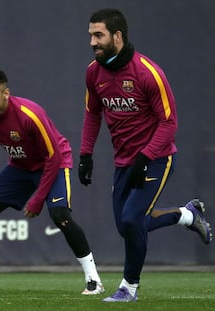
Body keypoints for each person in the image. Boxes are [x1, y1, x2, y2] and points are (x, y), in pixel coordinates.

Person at [78, 8, 212, 302]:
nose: (92, 42)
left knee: (131, 220)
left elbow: (169, 123)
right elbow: (92, 114)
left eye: (98, 35)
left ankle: (129, 288)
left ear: (117, 36)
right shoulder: (93, 72)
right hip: (124, 162)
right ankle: (187, 215)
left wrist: (145, 157)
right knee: (127, 227)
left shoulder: (148, 73)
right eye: (90, 35)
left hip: (157, 158)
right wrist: (85, 155)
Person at [0, 69, 104, 295]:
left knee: (60, 215)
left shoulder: (29, 115)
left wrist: (38, 200)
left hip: (54, 164)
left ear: (6, 94)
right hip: (21, 166)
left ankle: (94, 280)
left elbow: (53, 157)